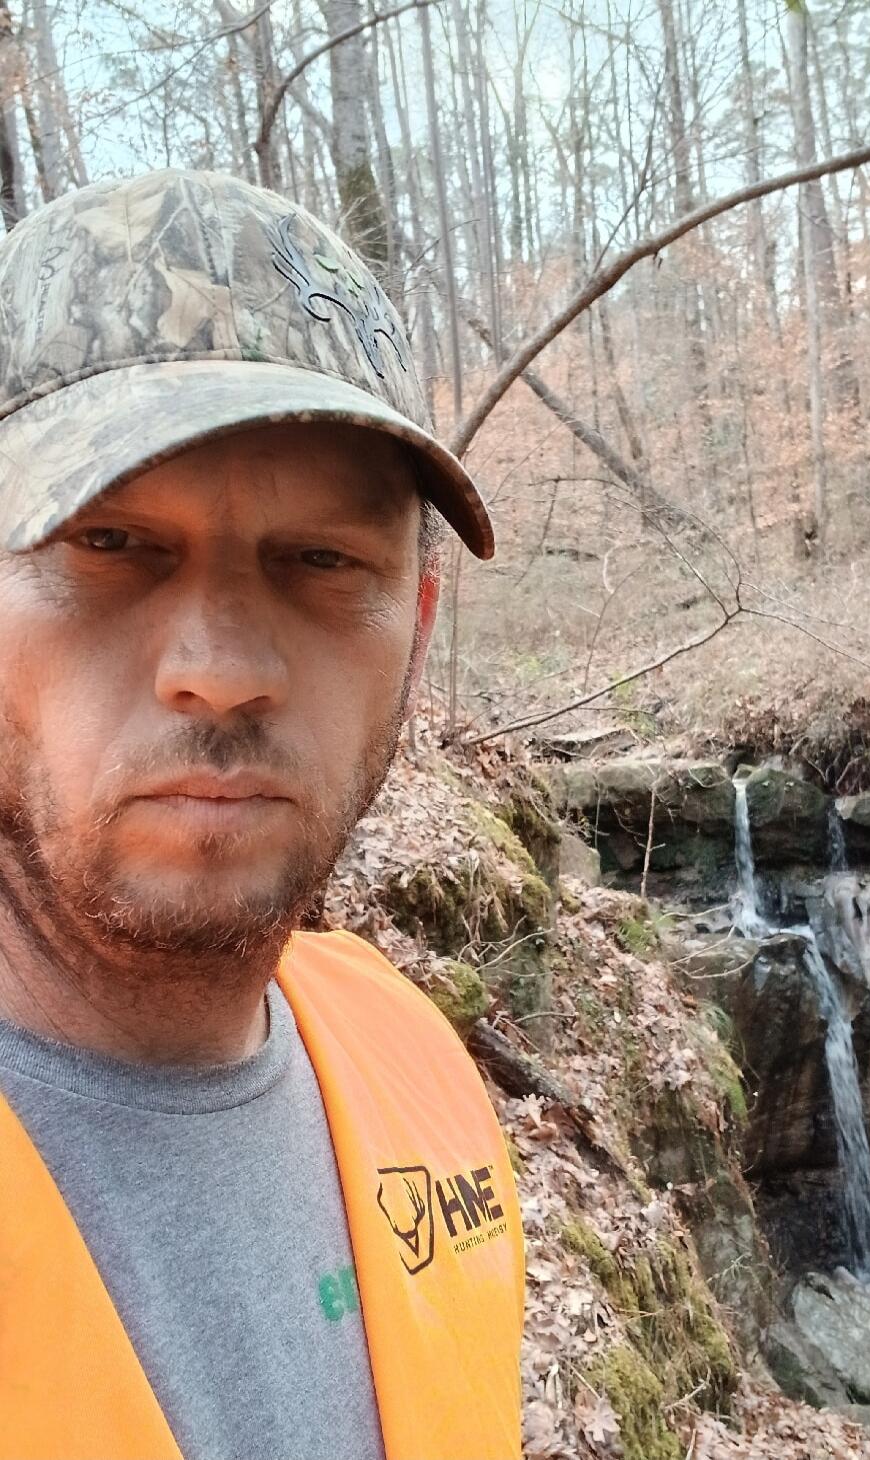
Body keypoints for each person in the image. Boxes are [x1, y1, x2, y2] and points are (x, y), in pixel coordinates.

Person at [0, 169, 524, 1460]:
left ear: (414, 625)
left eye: (322, 562)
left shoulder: (414, 1059)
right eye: (109, 544)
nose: (224, 664)